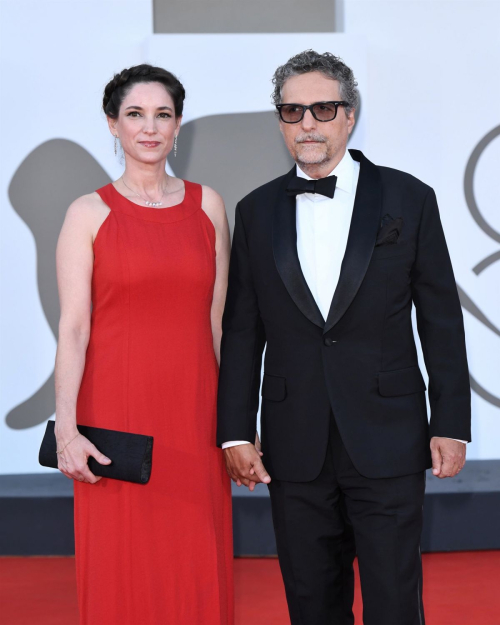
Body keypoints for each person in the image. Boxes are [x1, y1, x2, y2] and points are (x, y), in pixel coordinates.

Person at [217, 50, 471, 625]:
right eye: (292, 111)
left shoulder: (409, 198)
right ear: (280, 120)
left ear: (349, 116)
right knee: (311, 603)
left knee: (394, 604)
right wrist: (235, 431)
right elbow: (241, 329)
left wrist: (450, 422)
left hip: (389, 438)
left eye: (322, 108)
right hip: (294, 444)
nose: (307, 123)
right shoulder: (255, 212)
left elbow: (440, 320)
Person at [54, 64, 233, 625]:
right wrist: (65, 429)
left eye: (163, 115)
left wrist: (234, 425)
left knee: (195, 560)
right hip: (115, 418)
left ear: (179, 125)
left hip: (194, 415)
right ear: (112, 124)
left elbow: (220, 323)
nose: (149, 128)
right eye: (135, 114)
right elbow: (74, 328)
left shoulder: (209, 207)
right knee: (122, 566)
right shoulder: (88, 213)